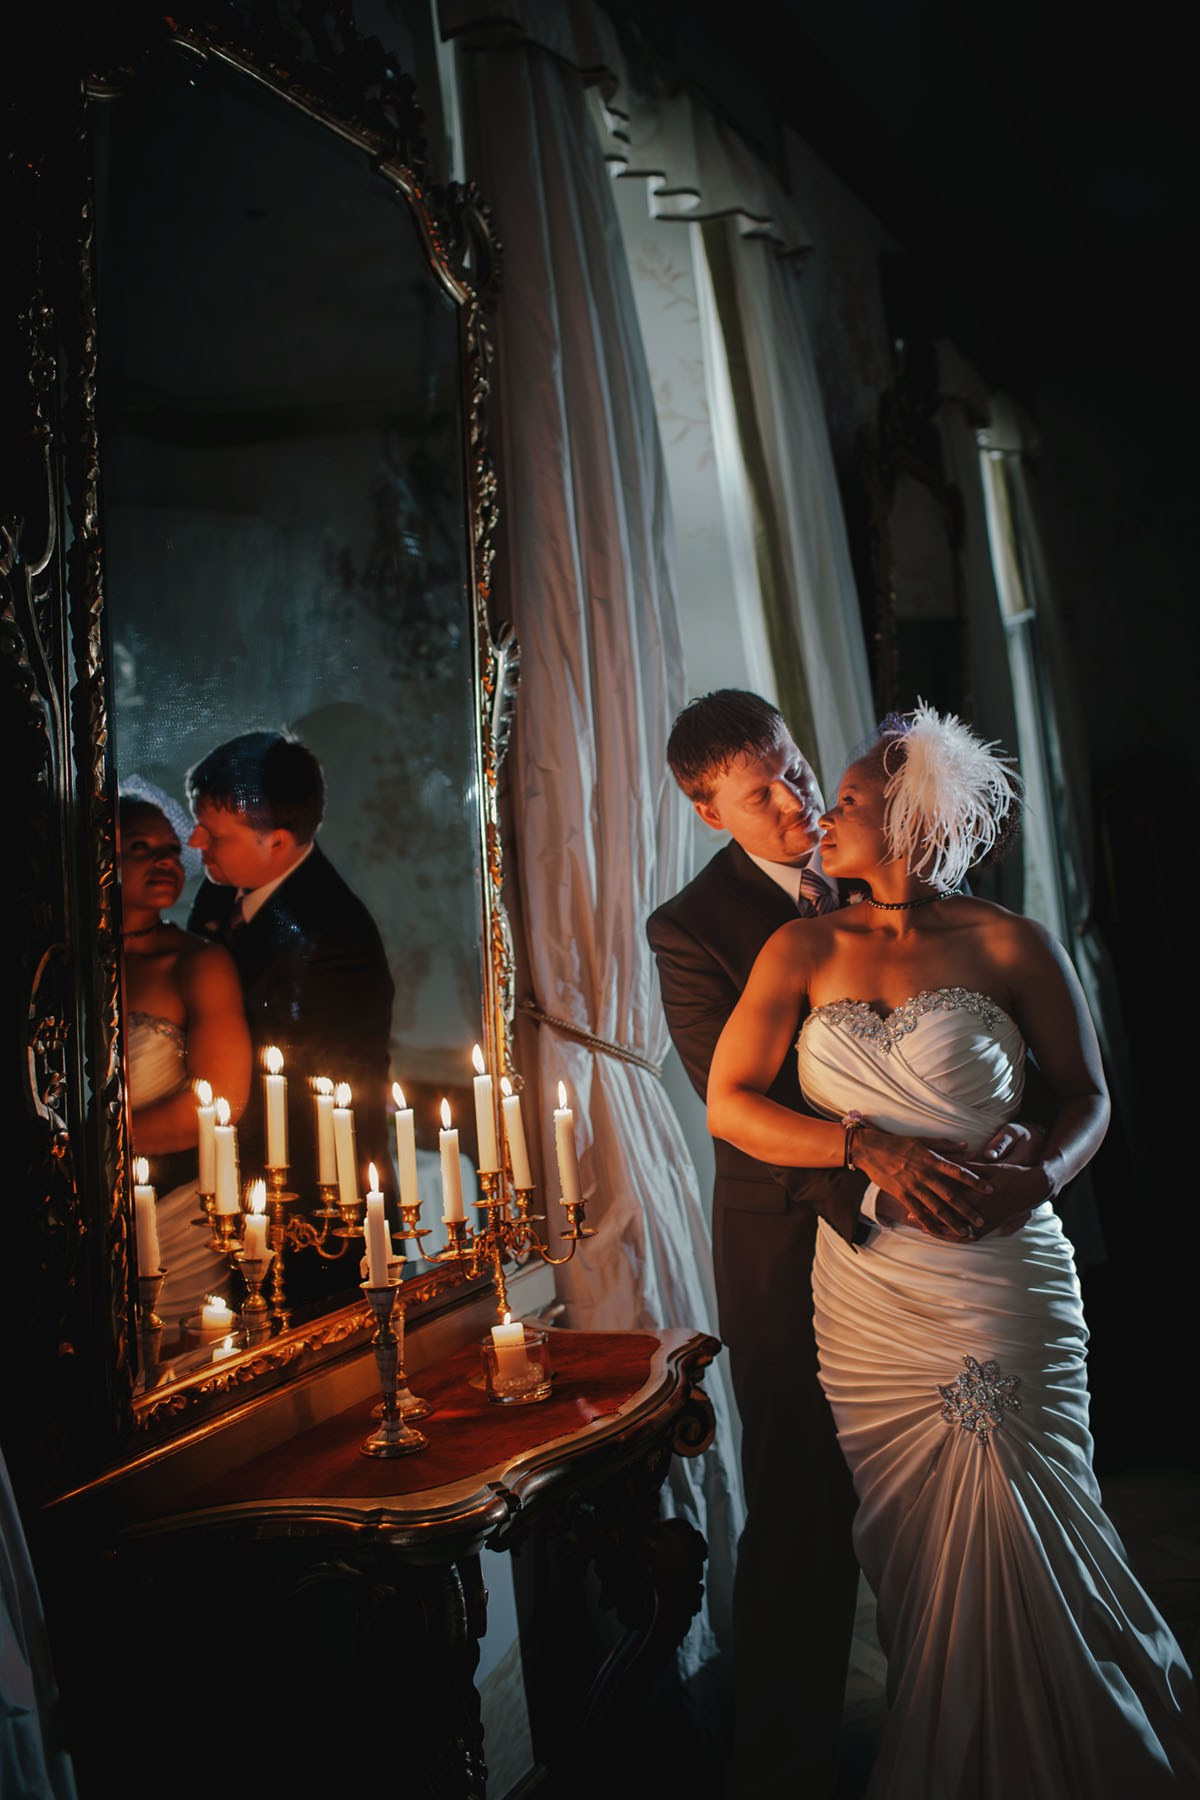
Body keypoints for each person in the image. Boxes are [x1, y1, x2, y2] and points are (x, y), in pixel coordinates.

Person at [707, 702, 1200, 1797]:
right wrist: (863, 1141)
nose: (821, 818)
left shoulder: (1009, 943)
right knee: (923, 1551)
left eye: (845, 803)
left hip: (1007, 1273)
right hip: (878, 1290)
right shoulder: (802, 946)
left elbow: (1088, 1098)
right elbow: (730, 1105)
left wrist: (1044, 1172)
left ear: (911, 821)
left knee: (1030, 1513)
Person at [645, 690, 1029, 1799]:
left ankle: (963, 1730)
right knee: (801, 1505)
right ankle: (787, 1761)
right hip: (786, 1240)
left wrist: (983, 1135)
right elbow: (742, 1095)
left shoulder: (898, 877)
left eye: (798, 771)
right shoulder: (691, 926)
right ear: (707, 807)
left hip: (943, 1246)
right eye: (759, 793)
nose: (796, 802)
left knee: (960, 1486)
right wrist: (881, 1155)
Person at [186, 731, 395, 1303]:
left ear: (276, 842)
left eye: (215, 833)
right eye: (196, 820)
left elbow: (308, 1104)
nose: (195, 840)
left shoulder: (335, 936)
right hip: (234, 1193)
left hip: (313, 1212)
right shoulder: (220, 891)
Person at [118, 794, 251, 1335]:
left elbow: (219, 1099)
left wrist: (85, 1157)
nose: (166, 863)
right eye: (141, 848)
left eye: (172, 851)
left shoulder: (197, 962)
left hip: (170, 1219)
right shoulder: (53, 961)